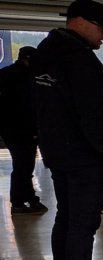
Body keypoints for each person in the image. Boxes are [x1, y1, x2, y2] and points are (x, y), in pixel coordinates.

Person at [32, 0, 103, 260]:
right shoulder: (79, 58)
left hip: (57, 151)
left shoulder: (45, 53)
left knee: (67, 218)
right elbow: (91, 111)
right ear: (81, 22)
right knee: (84, 222)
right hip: (84, 154)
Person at [0, 46, 47, 216]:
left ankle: (31, 199)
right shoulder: (26, 78)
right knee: (23, 167)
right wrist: (34, 129)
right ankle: (18, 203)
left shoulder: (5, 73)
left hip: (8, 129)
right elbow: (28, 106)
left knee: (23, 165)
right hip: (23, 129)